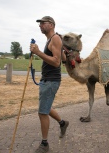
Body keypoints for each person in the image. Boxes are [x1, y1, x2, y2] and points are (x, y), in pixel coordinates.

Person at [30, 16, 69, 153]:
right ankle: (63, 123)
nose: (40, 25)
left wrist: (38, 52)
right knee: (45, 108)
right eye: (39, 24)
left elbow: (56, 62)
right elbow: (62, 58)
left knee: (42, 112)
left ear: (51, 25)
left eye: (42, 23)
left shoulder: (55, 39)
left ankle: (44, 144)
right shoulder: (52, 40)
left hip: (51, 80)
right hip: (47, 79)